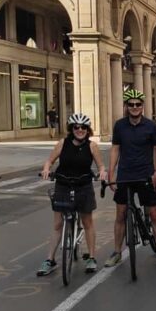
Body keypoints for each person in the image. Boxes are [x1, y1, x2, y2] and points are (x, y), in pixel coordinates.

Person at [104, 89, 156, 269]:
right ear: (126, 106)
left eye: (138, 104)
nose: (134, 107)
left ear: (142, 106)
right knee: (121, 214)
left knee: (154, 213)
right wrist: (111, 173)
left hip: (145, 175)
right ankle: (117, 252)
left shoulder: (151, 126)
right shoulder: (119, 126)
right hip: (125, 175)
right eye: (131, 104)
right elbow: (115, 149)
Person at [38, 113, 107, 275]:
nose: (80, 130)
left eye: (83, 127)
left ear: (87, 130)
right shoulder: (63, 143)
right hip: (63, 185)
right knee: (57, 224)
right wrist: (46, 169)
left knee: (88, 222)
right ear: (72, 129)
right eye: (76, 127)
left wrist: (103, 173)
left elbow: (101, 166)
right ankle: (50, 260)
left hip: (83, 186)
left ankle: (91, 257)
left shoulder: (92, 146)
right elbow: (50, 161)